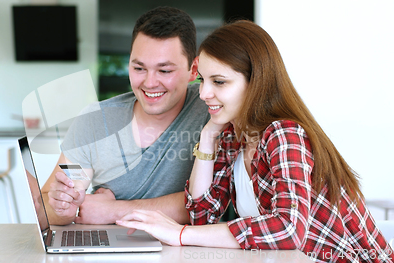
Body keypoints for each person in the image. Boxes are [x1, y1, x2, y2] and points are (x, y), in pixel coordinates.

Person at [116, 20, 393, 263]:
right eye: (202, 80)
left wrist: (179, 234)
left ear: (255, 83)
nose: (203, 93)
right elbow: (201, 216)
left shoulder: (284, 134)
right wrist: (208, 135)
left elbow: (287, 229)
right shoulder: (233, 137)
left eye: (220, 82)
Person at [40, 6, 210, 226]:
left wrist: (114, 211)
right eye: (139, 68)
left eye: (165, 71)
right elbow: (48, 205)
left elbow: (207, 203)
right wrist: (64, 207)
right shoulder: (95, 122)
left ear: (194, 69)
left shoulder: (211, 108)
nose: (149, 83)